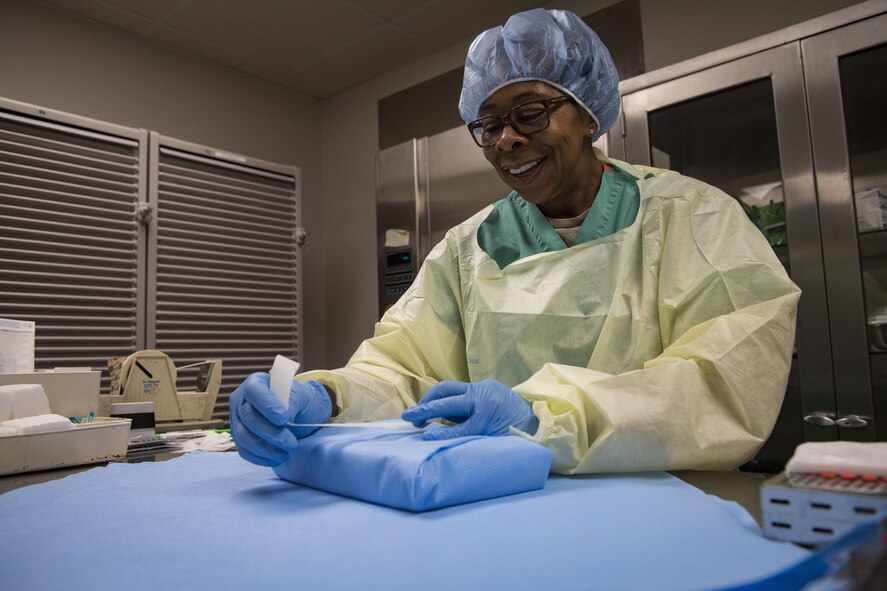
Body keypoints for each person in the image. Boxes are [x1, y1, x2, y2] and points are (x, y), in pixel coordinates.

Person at [230, 8, 800, 474]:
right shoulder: (466, 247)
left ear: (587, 115)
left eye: (530, 112)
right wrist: (324, 398)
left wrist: (537, 417)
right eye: (488, 124)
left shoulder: (691, 218)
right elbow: (402, 370)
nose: (506, 139)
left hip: (664, 506)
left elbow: (720, 387)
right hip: (500, 504)